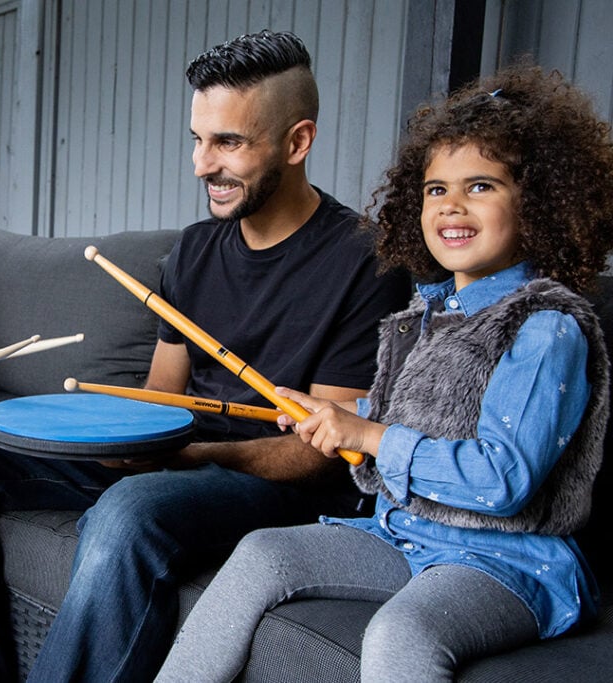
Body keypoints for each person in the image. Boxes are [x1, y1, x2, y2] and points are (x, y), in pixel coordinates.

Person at [0, 30, 410, 682]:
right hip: (183, 457)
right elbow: (160, 394)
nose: (202, 164)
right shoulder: (194, 251)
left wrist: (188, 455)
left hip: (279, 483)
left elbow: (321, 453)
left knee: (128, 511)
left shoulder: (365, 262)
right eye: (197, 139)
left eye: (228, 142)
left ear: (297, 142)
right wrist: (115, 435)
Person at [155, 63, 613, 682]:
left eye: (481, 186)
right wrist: (342, 422)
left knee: (402, 632)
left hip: (503, 560)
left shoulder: (545, 327)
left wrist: (371, 437)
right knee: (262, 552)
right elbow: (399, 423)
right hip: (402, 535)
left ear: (537, 203)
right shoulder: (422, 312)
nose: (452, 206)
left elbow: (502, 481)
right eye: (435, 189)